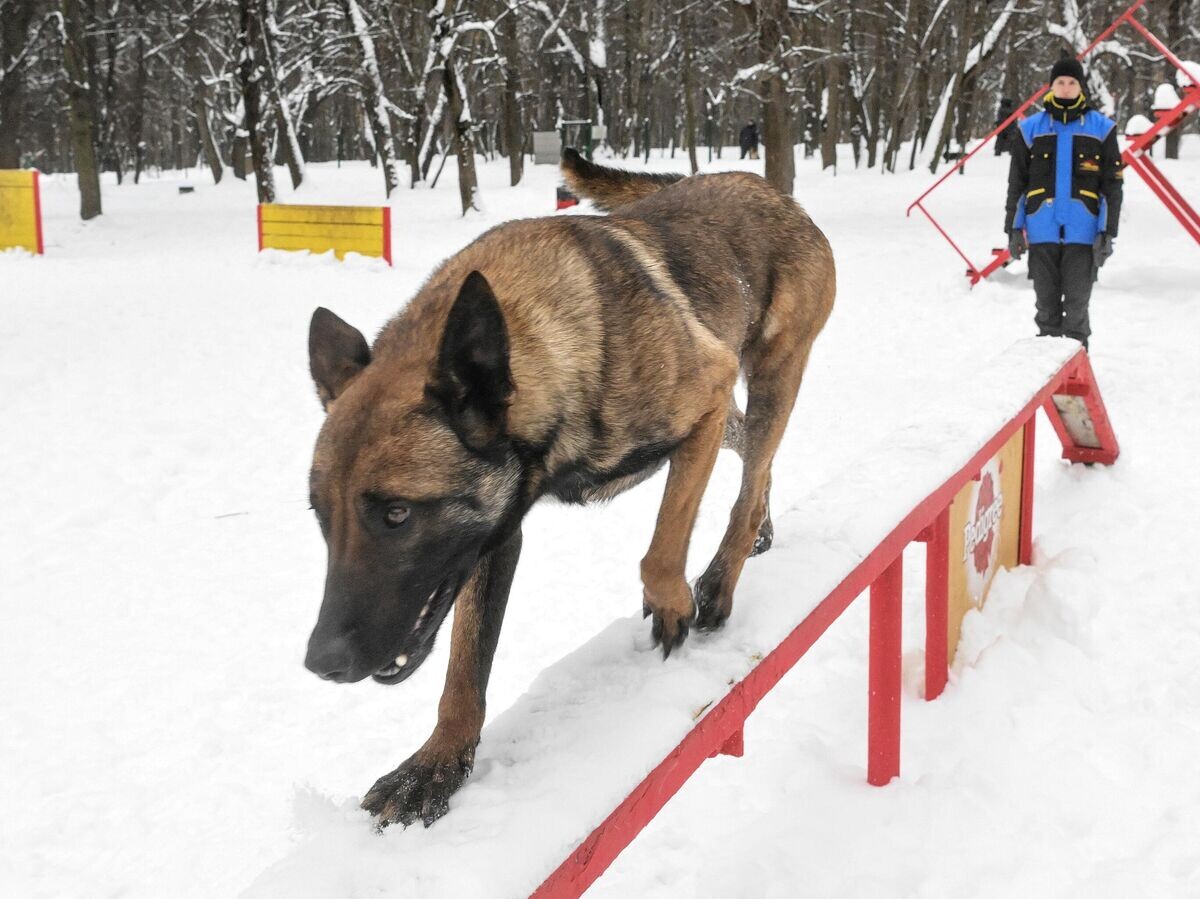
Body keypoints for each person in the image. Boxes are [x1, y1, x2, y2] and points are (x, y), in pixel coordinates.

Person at [1004, 57, 1123, 350]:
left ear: (1080, 86)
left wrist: (1108, 232)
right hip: (1041, 228)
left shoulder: (1102, 128)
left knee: (1077, 307)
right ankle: (1049, 374)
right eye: (1061, 82)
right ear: (1051, 86)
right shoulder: (1029, 128)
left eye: (1072, 83)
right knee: (1046, 308)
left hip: (1083, 232)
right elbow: (1017, 184)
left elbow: (1112, 185)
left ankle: (1076, 377)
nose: (1066, 88)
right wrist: (1013, 228)